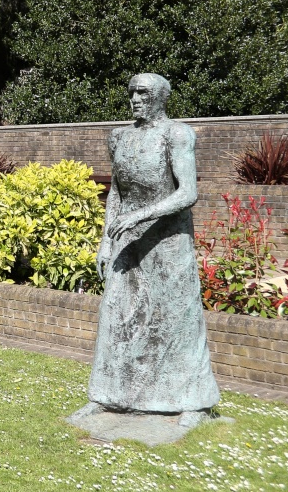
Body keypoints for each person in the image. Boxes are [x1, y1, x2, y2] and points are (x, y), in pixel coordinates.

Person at [72, 73, 220, 428]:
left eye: (144, 93)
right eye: (132, 93)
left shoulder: (176, 134)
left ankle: (192, 402)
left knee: (176, 317)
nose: (135, 99)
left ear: (162, 98)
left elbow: (187, 193)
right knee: (118, 316)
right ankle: (107, 397)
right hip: (127, 238)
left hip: (168, 240)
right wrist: (106, 241)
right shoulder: (120, 137)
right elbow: (117, 194)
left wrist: (141, 216)